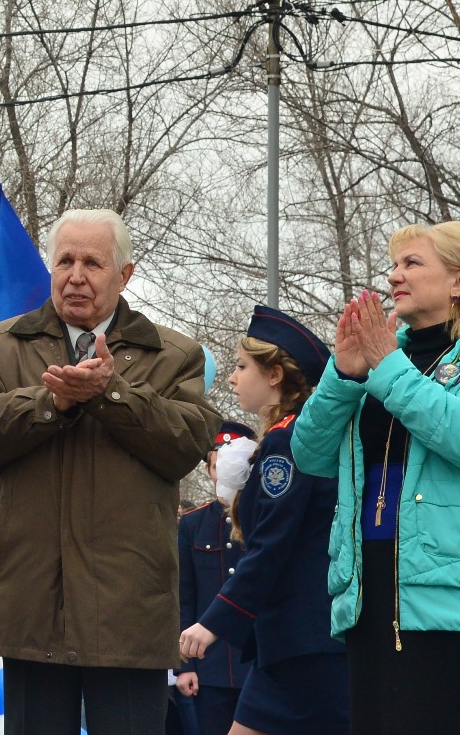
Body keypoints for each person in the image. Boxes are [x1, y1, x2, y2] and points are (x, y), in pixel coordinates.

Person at [0, 207, 220, 735]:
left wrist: (113, 393)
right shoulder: (1, 346)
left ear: (125, 275)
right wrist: (51, 402)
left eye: (93, 263)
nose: (76, 275)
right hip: (32, 605)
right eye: (65, 261)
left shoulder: (173, 355)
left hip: (127, 612)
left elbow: (186, 443)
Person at [290, 221, 460, 735]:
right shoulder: (381, 356)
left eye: (411, 264)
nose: (393, 277)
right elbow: (310, 454)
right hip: (376, 589)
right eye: (393, 265)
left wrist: (386, 368)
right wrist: (343, 374)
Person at [181, 306, 347, 735]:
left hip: (304, 643)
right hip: (298, 641)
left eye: (241, 366)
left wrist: (214, 620)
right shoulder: (293, 435)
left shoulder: (287, 443)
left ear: (275, 375)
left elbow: (272, 544)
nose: (232, 378)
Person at [175, 418, 257, 735]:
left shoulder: (265, 518)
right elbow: (184, 598)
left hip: (258, 661)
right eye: (217, 463)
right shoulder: (192, 524)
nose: (225, 470)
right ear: (209, 471)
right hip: (211, 666)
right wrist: (185, 667)